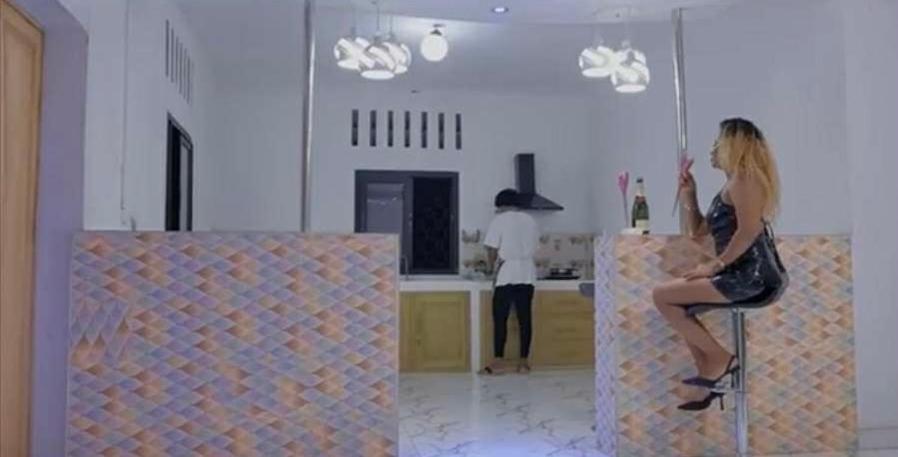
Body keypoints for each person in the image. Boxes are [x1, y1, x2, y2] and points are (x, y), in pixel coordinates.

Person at [652, 118, 788, 411]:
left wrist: (714, 266)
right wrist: (690, 194)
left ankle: (720, 361)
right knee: (677, 303)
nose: (712, 148)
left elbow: (749, 230)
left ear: (734, 145)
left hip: (755, 276)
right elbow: (698, 231)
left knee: (662, 295)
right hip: (742, 274)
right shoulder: (732, 183)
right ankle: (711, 372)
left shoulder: (745, 178)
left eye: (719, 141)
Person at [480, 189, 540, 375]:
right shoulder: (530, 220)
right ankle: (524, 362)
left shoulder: (499, 220)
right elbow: (536, 246)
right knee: (525, 318)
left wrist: (490, 268)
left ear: (502, 205)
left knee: (500, 318)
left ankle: (498, 362)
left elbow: (491, 249)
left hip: (507, 273)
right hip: (527, 272)